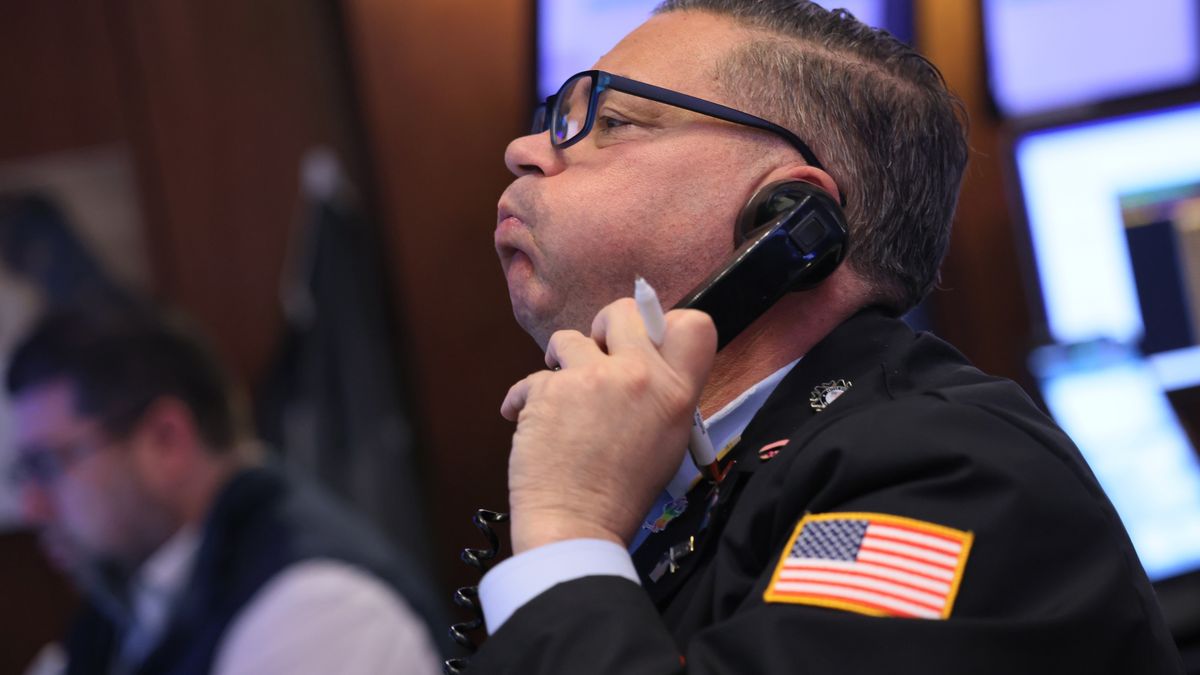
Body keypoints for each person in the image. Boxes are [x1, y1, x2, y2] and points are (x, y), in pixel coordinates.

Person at [472, 1, 1184, 673]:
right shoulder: (683, 485)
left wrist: (568, 530)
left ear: (787, 214)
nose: (521, 150)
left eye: (613, 120)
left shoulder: (944, 474)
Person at [6, 306, 443, 675]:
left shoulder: (317, 608)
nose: (34, 504)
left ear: (167, 441)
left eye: (49, 465)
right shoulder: (129, 596)